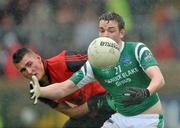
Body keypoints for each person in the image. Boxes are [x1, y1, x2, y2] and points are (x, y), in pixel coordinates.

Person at [29, 12, 165, 128]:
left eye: (111, 31)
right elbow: (65, 88)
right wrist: (41, 91)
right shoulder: (94, 64)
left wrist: (146, 92)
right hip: (121, 119)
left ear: (122, 33)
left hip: (149, 120)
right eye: (102, 30)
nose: (105, 35)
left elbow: (159, 79)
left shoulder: (136, 49)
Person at [12, 48, 115, 128]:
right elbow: (72, 113)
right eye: (23, 70)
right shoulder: (37, 90)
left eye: (29, 64)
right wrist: (94, 103)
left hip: (114, 98)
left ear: (38, 58)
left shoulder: (64, 60)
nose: (29, 71)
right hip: (94, 109)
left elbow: (101, 60)